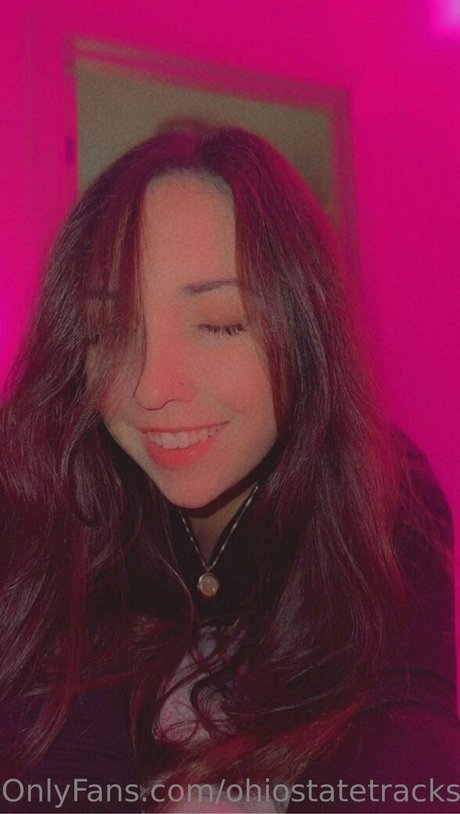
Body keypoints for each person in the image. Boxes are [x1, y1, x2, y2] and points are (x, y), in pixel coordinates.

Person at [0, 121, 458, 814]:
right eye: (108, 329)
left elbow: (406, 734)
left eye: (218, 322)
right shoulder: (54, 472)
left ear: (307, 329)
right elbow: (57, 749)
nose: (151, 387)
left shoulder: (387, 489)